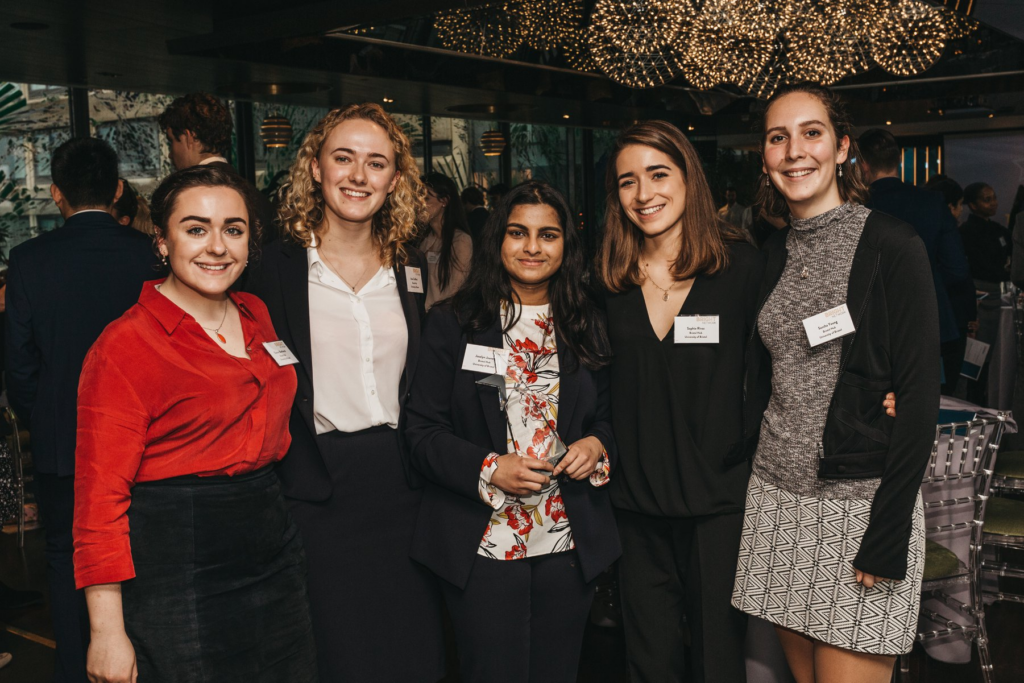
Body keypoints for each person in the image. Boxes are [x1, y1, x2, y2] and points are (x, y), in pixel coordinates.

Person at [73, 165, 317, 683]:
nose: (217, 246)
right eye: (195, 228)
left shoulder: (255, 314)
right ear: (161, 241)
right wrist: (106, 633)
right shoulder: (124, 346)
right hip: (177, 567)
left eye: (233, 229)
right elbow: (98, 503)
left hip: (272, 552)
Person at [731, 83, 938, 683]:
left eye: (811, 133)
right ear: (765, 158)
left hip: (861, 506)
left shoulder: (892, 245)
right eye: (778, 137)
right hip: (776, 502)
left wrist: (889, 529)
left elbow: (920, 395)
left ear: (843, 148)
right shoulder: (771, 251)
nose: (795, 151)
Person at [246, 103, 444, 683]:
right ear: (314, 167)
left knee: (413, 648)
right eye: (344, 158)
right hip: (317, 488)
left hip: (405, 484)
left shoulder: (410, 267)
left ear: (394, 179)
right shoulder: (272, 267)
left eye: (376, 163)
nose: (359, 176)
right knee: (336, 652)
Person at [405, 180, 620, 683]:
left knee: (558, 672)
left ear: (566, 244)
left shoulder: (586, 321)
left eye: (548, 235)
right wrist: (490, 467)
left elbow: (609, 417)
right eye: (518, 233)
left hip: (567, 540)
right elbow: (420, 432)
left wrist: (596, 444)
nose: (532, 247)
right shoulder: (453, 323)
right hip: (481, 540)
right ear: (497, 240)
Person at [597, 120, 764, 683]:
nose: (644, 194)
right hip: (634, 504)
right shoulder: (606, 279)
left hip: (718, 504)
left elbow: (786, 364)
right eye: (627, 181)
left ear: (689, 178)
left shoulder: (740, 267)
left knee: (718, 663)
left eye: (658, 174)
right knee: (648, 663)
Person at [5, 137, 158, 683]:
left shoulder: (27, 261)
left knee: (67, 561)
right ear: (118, 190)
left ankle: (77, 671)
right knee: (141, 558)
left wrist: (44, 413)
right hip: (145, 441)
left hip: (61, 442)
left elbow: (18, 366)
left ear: (55, 193)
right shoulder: (148, 255)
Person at [858, 128, 974, 395]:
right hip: (929, 316)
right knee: (928, 401)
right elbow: (957, 269)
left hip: (873, 322)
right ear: (898, 160)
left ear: (863, 164)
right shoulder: (932, 202)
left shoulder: (857, 206)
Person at [159, 92, 276, 236]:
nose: (171, 153)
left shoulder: (187, 196)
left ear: (189, 137)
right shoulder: (257, 198)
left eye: (172, 141)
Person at [420, 172, 473, 309]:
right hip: (421, 320)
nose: (419, 204)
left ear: (444, 201)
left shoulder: (460, 241)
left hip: (442, 321)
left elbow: (456, 291)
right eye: (417, 198)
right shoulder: (424, 239)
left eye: (426, 198)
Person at [959, 182, 1011, 287]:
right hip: (979, 289)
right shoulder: (966, 232)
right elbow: (979, 266)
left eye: (994, 198)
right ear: (973, 205)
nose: (994, 203)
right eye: (987, 200)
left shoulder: (998, 229)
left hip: (1000, 287)